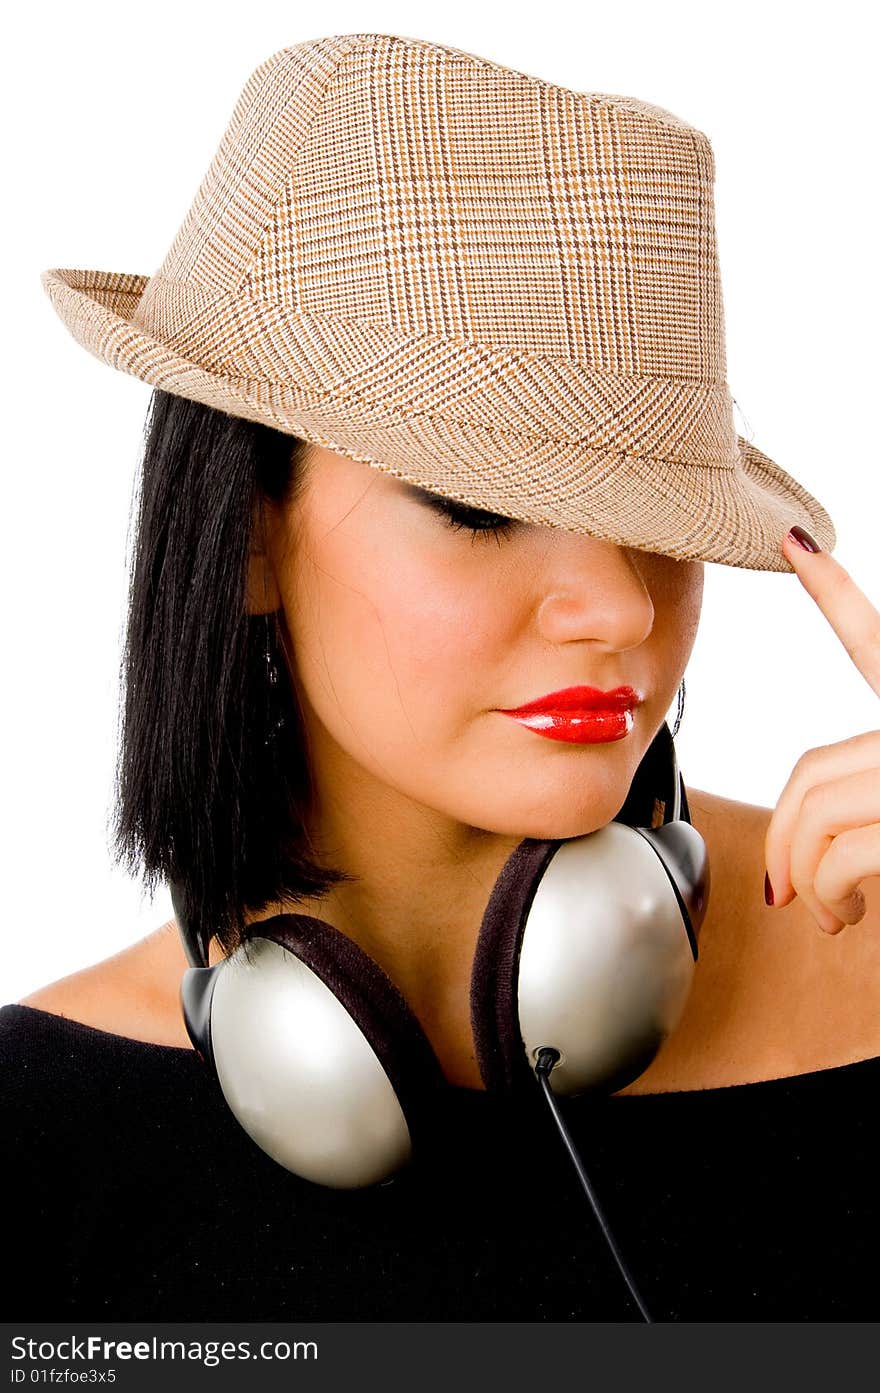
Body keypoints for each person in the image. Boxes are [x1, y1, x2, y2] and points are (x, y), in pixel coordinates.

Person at [3, 32, 879, 1322]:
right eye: (479, 505)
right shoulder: (39, 1148)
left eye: (655, 514)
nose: (621, 605)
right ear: (245, 534)